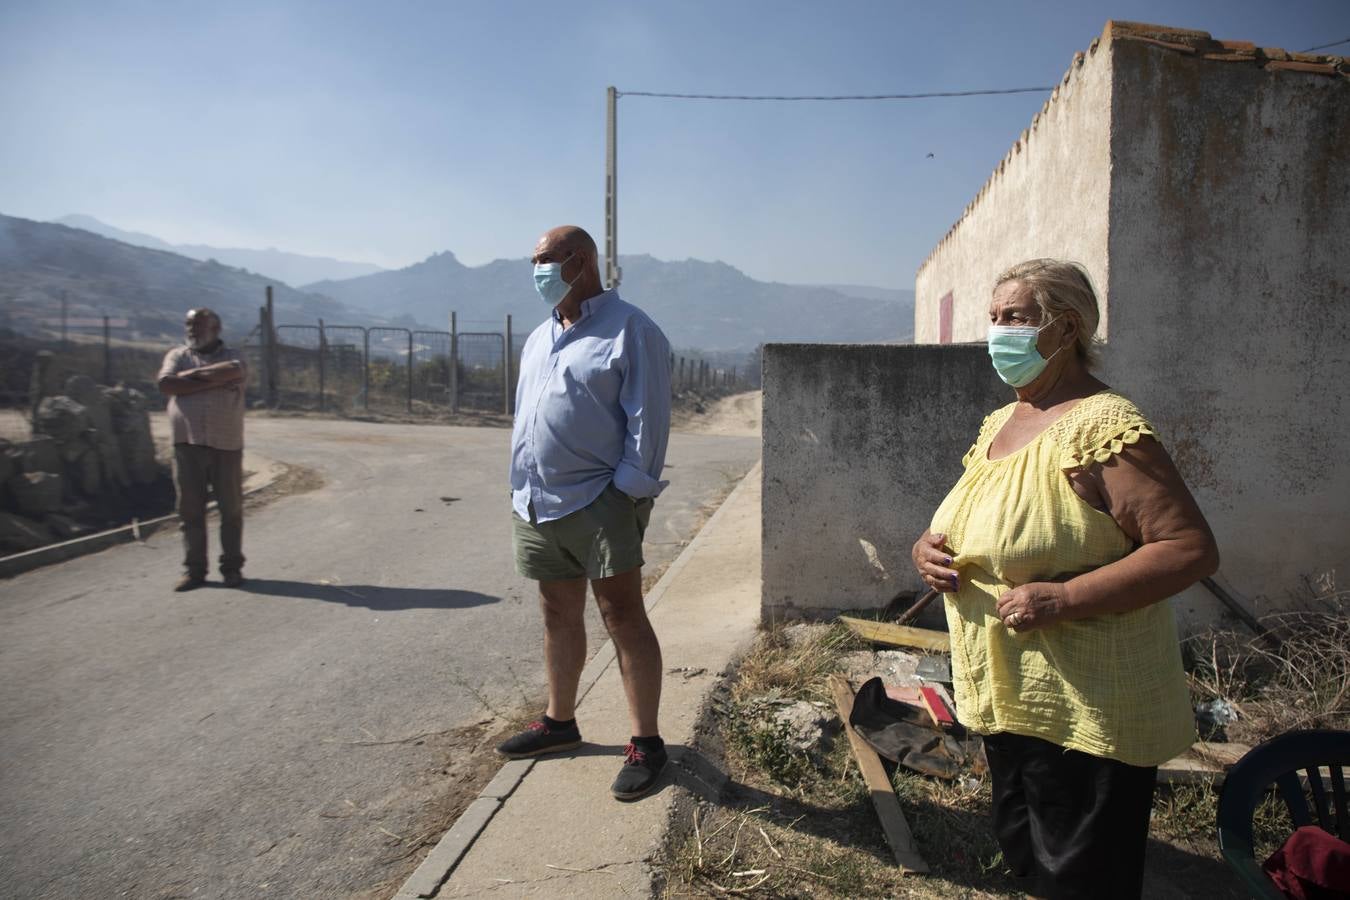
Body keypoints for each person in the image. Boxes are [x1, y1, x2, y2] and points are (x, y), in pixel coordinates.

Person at [911, 259, 1219, 898]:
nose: (998, 333)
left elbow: (1187, 548)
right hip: (1010, 696)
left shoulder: (1102, 424)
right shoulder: (1002, 421)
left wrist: (1065, 598)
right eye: (994, 318)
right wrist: (928, 550)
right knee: (1029, 857)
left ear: (1066, 327)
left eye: (1016, 318)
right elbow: (978, 516)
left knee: (1079, 878)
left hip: (1087, 708)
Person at [499, 225, 673, 801]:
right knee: (556, 612)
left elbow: (647, 423)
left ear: (582, 260)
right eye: (534, 261)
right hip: (538, 502)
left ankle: (646, 744)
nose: (538, 271)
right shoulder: (539, 336)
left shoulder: (631, 330)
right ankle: (559, 722)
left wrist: (624, 494)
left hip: (598, 500)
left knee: (622, 615)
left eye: (546, 259)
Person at [157, 308, 248, 591]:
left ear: (216, 329)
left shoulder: (234, 357)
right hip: (188, 444)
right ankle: (194, 571)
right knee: (190, 511)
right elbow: (166, 384)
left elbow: (234, 371)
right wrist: (210, 377)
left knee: (230, 510)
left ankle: (231, 568)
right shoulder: (176, 355)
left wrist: (188, 381)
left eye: (198, 324)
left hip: (226, 444)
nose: (192, 329)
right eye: (189, 324)